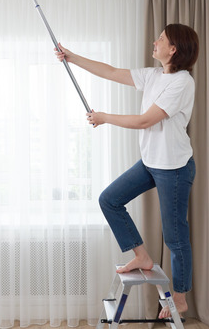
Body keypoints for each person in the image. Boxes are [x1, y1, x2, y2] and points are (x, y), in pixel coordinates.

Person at [55, 23, 199, 319]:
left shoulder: (182, 82)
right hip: (150, 162)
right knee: (109, 199)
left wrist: (104, 117)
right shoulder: (154, 75)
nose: (155, 41)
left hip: (174, 167)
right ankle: (142, 256)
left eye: (161, 39)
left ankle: (181, 299)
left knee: (175, 237)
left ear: (173, 49)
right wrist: (72, 57)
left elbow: (147, 121)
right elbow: (110, 71)